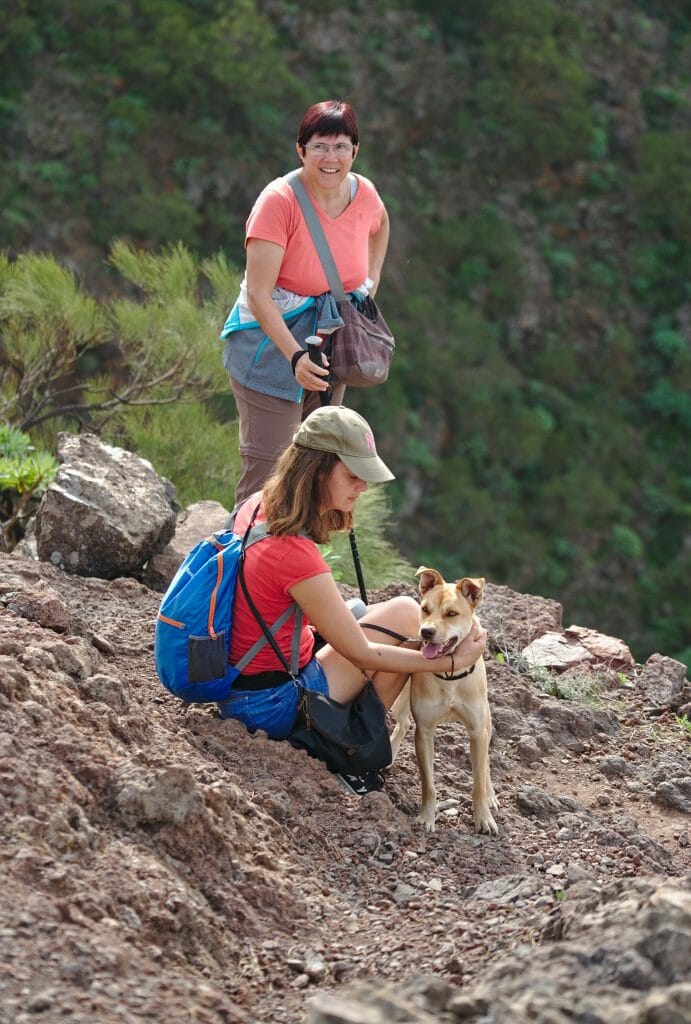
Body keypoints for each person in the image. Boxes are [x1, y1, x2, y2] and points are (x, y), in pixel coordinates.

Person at [217, 405, 487, 795]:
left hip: (241, 679)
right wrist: (452, 659)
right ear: (317, 469)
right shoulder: (294, 553)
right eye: (352, 475)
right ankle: (352, 754)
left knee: (367, 612)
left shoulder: (258, 505)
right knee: (408, 621)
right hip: (267, 704)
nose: (362, 487)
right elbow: (364, 654)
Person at [221, 99, 391, 504]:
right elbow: (260, 296)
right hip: (270, 348)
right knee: (268, 476)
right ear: (301, 150)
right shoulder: (279, 202)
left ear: (355, 151)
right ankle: (240, 559)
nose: (330, 158)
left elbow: (381, 224)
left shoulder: (363, 193)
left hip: (327, 342)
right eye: (319, 146)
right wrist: (295, 358)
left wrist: (371, 282)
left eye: (340, 146)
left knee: (315, 469)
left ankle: (294, 563)